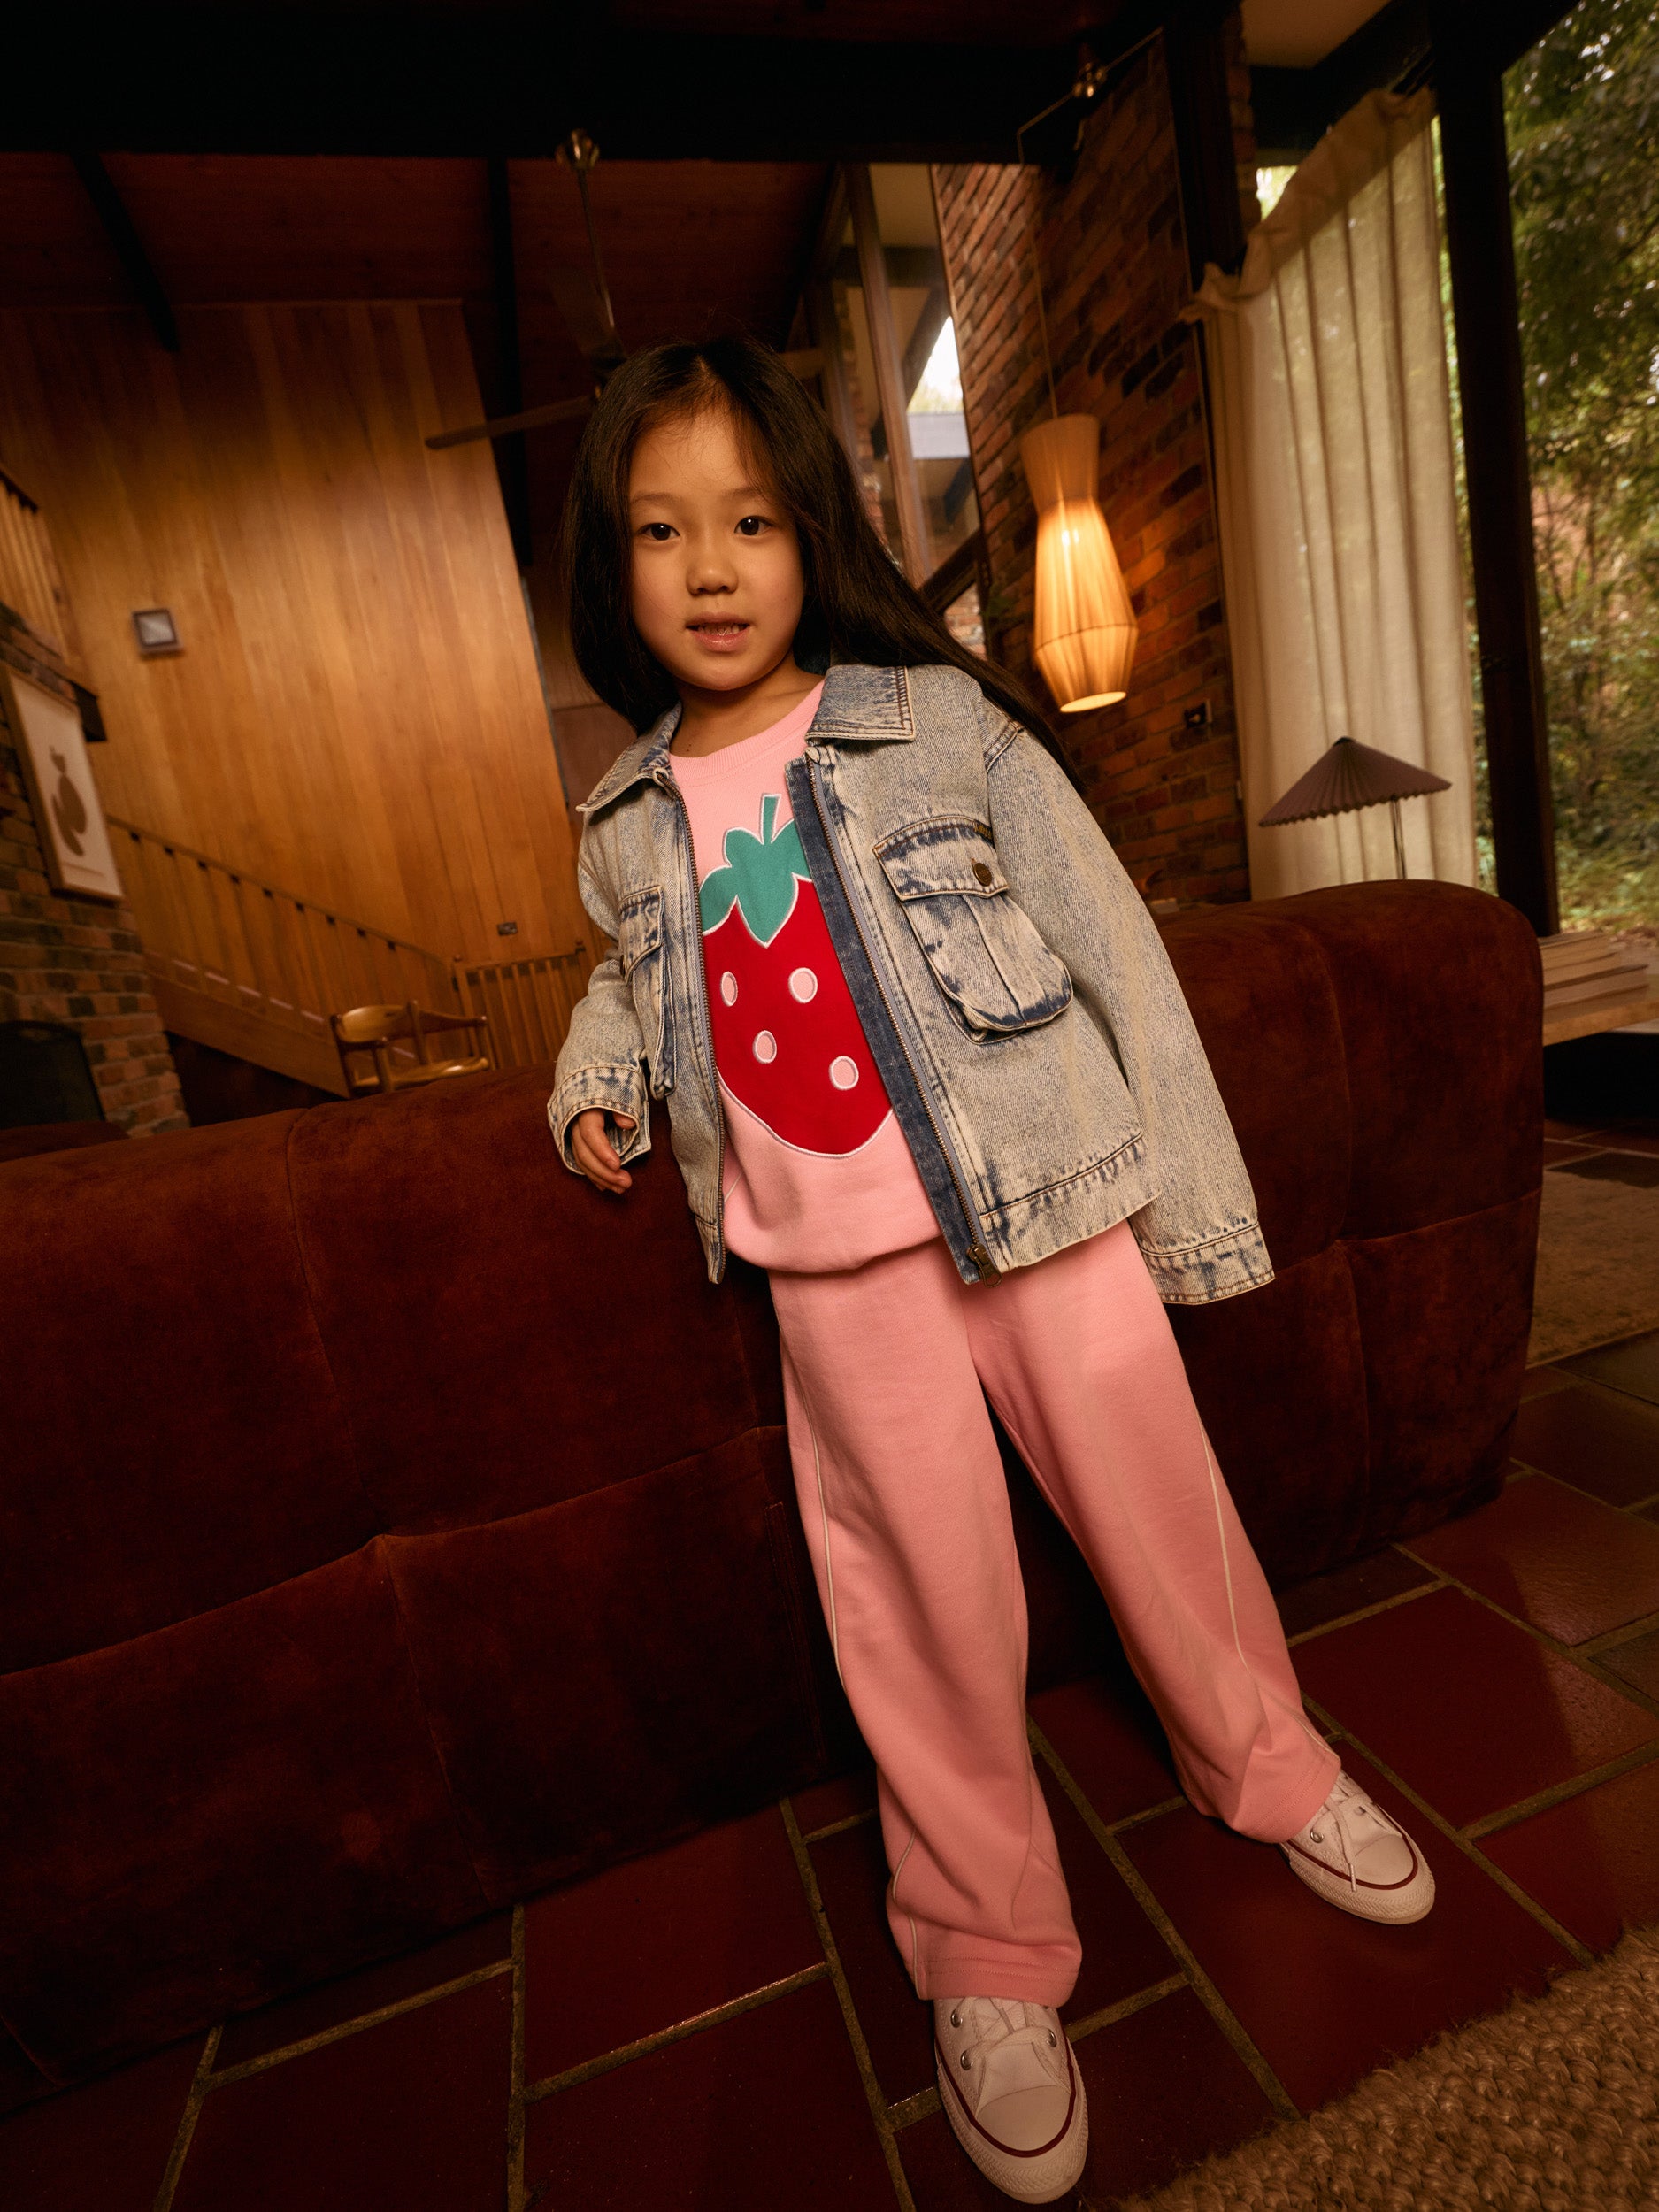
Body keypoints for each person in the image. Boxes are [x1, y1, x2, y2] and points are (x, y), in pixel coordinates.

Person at [549, 335, 1433, 2206]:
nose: (710, 568)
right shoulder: (623, 818)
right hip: (827, 1272)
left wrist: (1196, 1217)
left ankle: (1272, 1766)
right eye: (659, 528)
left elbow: (1117, 949)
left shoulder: (936, 724)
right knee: (920, 1610)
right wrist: (592, 1076)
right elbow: (634, 979)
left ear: (815, 532)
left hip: (1044, 1199)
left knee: (1159, 1513)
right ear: (608, 566)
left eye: (751, 521)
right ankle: (982, 1944)